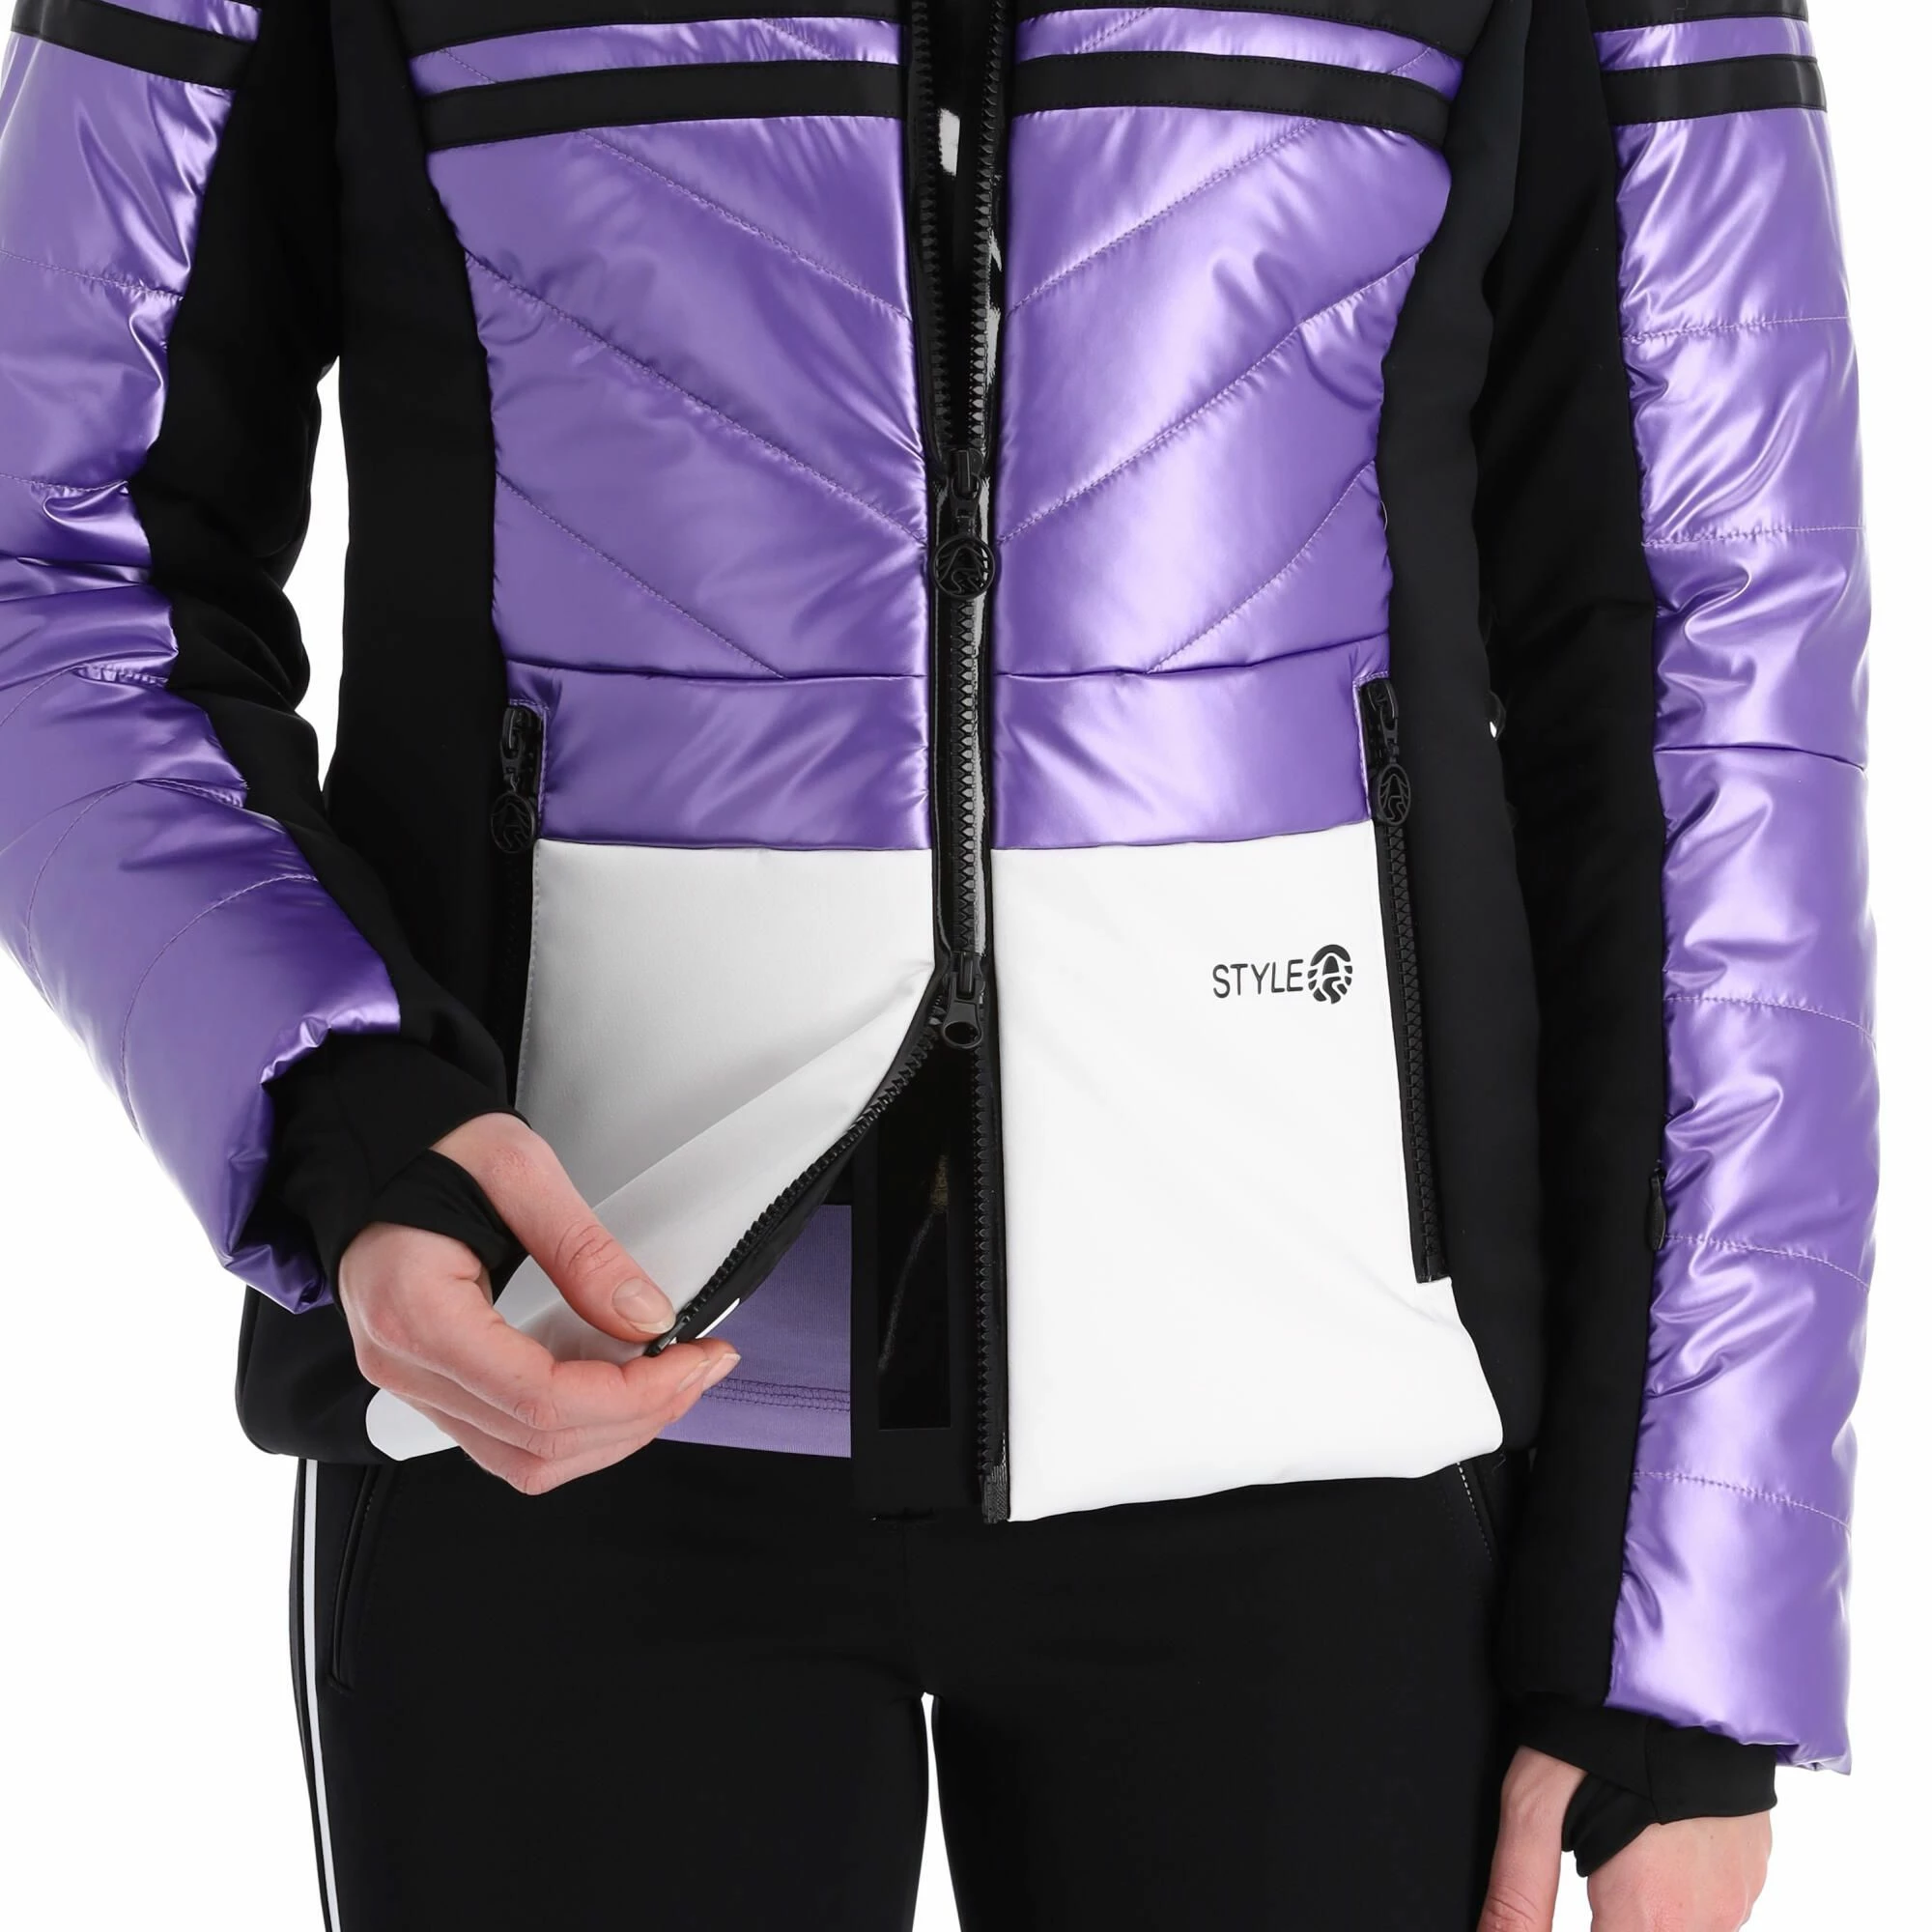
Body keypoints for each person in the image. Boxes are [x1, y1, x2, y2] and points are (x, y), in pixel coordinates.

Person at [0, 0, 1871, 1925]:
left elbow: (1713, 667)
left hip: (1323, 1420)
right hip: (543, 1403)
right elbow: (42, 562)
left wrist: (1681, 1616)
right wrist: (341, 1117)